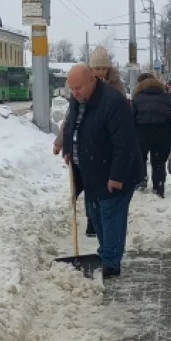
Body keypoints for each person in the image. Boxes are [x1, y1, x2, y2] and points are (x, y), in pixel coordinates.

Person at [63, 65, 142, 278]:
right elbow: (72, 125)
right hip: (91, 171)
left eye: (78, 87)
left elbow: (124, 143)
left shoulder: (112, 103)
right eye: (72, 89)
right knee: (96, 213)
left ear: (92, 80)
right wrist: (69, 149)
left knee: (111, 215)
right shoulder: (79, 100)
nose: (75, 92)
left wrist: (116, 176)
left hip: (113, 173)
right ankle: (105, 254)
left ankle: (111, 264)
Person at [54, 47, 127, 234]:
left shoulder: (116, 88)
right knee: (89, 187)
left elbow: (123, 123)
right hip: (87, 148)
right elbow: (71, 119)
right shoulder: (81, 88)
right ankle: (92, 222)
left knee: (106, 192)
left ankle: (104, 226)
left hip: (106, 147)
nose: (101, 72)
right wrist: (62, 142)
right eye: (97, 68)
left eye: (104, 68)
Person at [132, 72, 171, 199]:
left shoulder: (137, 98)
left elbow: (131, 118)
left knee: (140, 159)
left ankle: (141, 181)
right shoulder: (166, 97)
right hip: (162, 134)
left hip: (141, 134)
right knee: (158, 163)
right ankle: (158, 186)